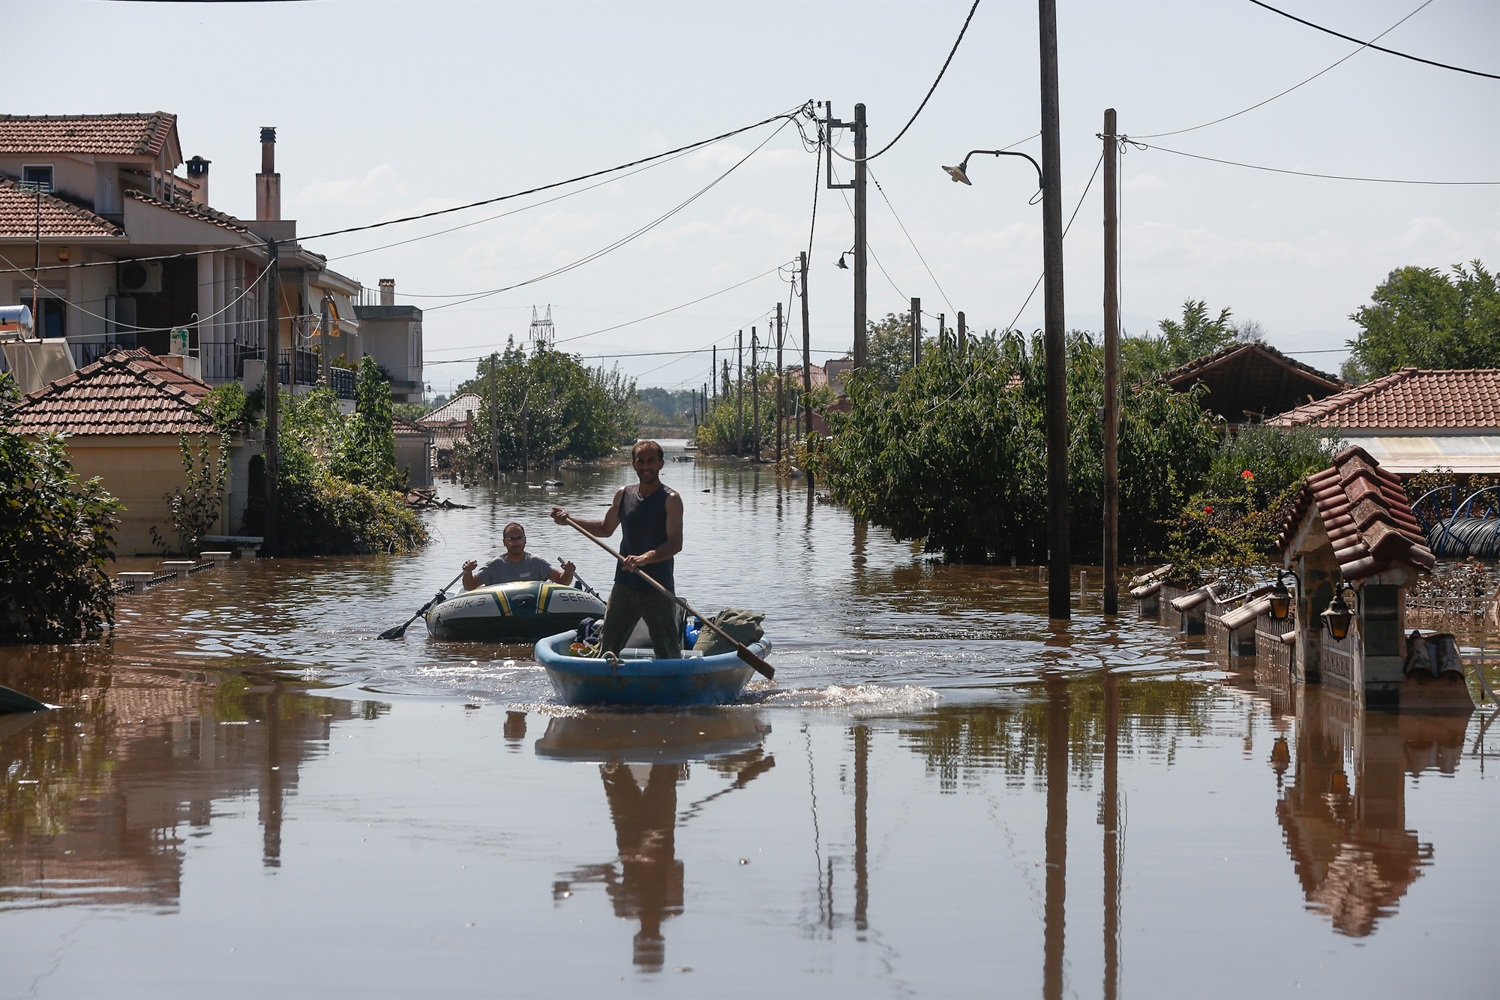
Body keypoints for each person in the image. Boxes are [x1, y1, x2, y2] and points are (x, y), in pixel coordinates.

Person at [552, 440, 683, 659]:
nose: (646, 466)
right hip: (625, 585)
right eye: (641, 461)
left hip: (657, 586)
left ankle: (673, 684)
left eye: (651, 461)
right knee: (607, 648)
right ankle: (603, 684)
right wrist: (570, 520)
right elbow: (605, 529)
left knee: (668, 652)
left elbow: (675, 544)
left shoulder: (671, 499)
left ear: (661, 464)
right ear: (633, 464)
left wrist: (645, 558)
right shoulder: (624, 494)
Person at [462, 522, 575, 590]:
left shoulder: (536, 562)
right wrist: (468, 572)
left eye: (519, 538)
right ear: (504, 542)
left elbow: (562, 581)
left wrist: (568, 572)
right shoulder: (494, 565)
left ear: (525, 540)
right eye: (511, 539)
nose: (516, 543)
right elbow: (470, 587)